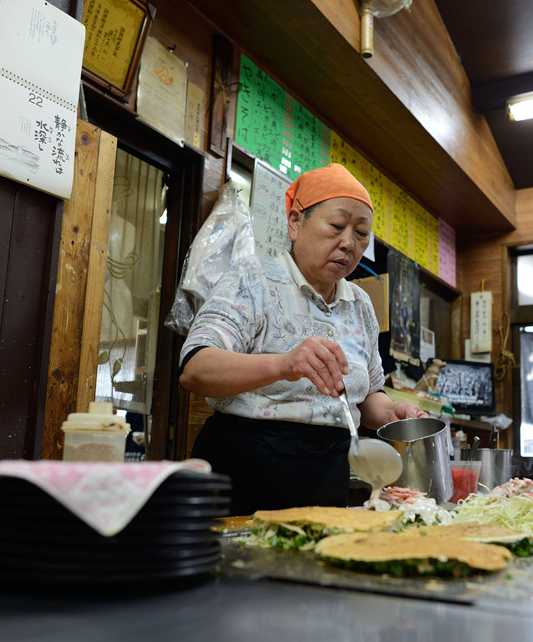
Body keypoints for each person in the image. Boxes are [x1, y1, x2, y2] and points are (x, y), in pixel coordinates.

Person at [179, 163, 427, 515]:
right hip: (245, 471)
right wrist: (282, 364)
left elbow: (368, 396)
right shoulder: (254, 278)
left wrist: (391, 413)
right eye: (337, 226)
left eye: (361, 233)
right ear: (296, 222)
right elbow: (195, 369)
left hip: (326, 477)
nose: (348, 243)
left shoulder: (360, 305)